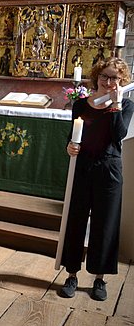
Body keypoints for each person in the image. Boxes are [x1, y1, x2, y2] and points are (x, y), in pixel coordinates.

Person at [59, 57, 133, 301]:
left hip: (109, 170)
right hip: (83, 168)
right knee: (75, 220)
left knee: (105, 224)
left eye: (114, 78)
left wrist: (115, 105)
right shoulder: (81, 104)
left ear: (121, 81)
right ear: (97, 77)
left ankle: (100, 279)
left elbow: (118, 136)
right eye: (104, 76)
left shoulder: (126, 104)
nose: (109, 81)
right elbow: (73, 135)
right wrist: (70, 146)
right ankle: (71, 274)